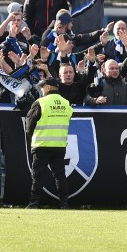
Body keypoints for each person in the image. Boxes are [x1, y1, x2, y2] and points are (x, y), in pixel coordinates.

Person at [25, 77, 73, 209]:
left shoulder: (40, 102)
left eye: (42, 87)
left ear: (47, 87)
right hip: (59, 146)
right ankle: (64, 204)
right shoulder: (66, 103)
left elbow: (29, 126)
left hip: (41, 145)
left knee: (38, 176)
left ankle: (34, 203)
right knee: (60, 175)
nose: (41, 89)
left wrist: (32, 140)